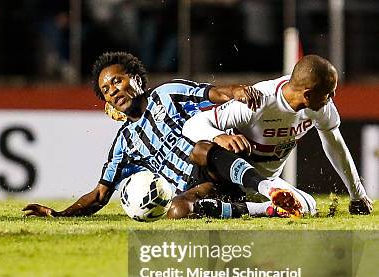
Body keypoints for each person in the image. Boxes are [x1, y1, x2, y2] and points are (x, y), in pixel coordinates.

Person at [23, 51, 303, 219]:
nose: (114, 91)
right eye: (107, 91)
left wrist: (237, 90)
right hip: (197, 190)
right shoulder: (124, 142)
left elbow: (212, 93)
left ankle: (269, 188)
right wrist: (59, 214)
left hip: (217, 167)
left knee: (200, 148)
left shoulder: (167, 94)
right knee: (177, 211)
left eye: (117, 81)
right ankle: (264, 210)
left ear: (136, 79)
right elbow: (99, 195)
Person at [182, 54, 373, 216]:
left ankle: (228, 210)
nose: (332, 98)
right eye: (328, 93)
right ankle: (242, 206)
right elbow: (192, 124)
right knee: (305, 206)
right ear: (307, 95)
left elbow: (336, 147)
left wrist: (357, 195)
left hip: (269, 185)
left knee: (307, 206)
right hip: (233, 180)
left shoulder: (321, 107)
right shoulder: (258, 101)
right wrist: (219, 136)